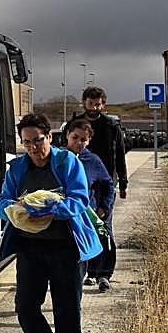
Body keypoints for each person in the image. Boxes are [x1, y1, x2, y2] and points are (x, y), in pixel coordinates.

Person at [0, 112, 103, 333]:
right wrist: (13, 208)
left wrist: (52, 209)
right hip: (31, 247)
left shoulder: (67, 163)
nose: (33, 148)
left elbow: (79, 200)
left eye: (38, 141)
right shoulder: (18, 168)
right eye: (27, 142)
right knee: (26, 307)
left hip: (66, 248)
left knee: (67, 310)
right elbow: (1, 201)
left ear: (49, 137)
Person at [66, 120, 116, 291]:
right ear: (67, 135)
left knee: (100, 239)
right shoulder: (58, 157)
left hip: (87, 213)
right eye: (75, 138)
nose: (78, 143)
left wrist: (104, 207)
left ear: (89, 141)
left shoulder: (92, 160)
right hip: (65, 214)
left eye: (83, 140)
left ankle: (101, 274)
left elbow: (108, 184)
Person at [65, 86, 128, 200]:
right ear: (84, 103)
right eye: (90, 103)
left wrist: (123, 184)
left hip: (105, 182)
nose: (94, 108)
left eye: (97, 104)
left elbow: (119, 154)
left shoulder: (112, 126)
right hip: (77, 182)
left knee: (104, 215)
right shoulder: (73, 125)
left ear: (103, 105)